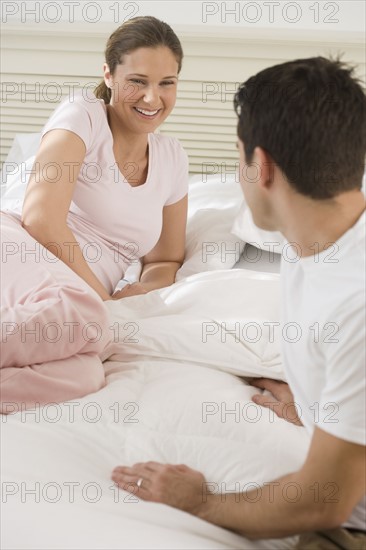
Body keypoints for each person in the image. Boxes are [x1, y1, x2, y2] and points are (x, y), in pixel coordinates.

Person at [111, 57, 366, 549]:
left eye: (238, 157)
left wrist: (200, 502)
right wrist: (325, 409)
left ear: (261, 165)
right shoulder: (314, 241)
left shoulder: (353, 302)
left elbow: (323, 499)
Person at [0, 16, 188, 411]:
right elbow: (40, 217)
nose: (152, 98)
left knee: (85, 375)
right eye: (137, 81)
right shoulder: (83, 113)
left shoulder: (173, 158)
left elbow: (165, 258)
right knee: (90, 321)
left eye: (166, 83)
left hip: (67, 303)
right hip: (18, 246)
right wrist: (103, 300)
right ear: (109, 74)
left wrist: (144, 290)